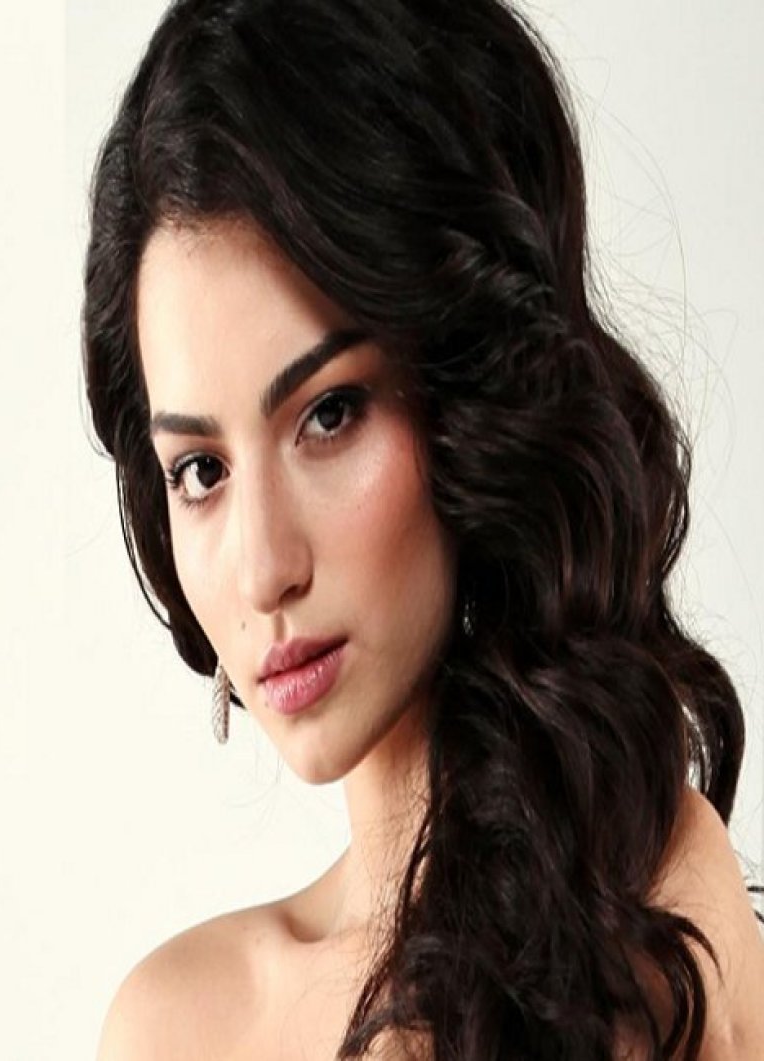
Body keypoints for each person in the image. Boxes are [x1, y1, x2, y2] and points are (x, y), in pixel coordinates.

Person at [82, 0, 764, 1057]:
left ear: (470, 397)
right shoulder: (171, 1023)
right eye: (201, 470)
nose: (262, 568)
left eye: (329, 414)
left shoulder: (647, 916)